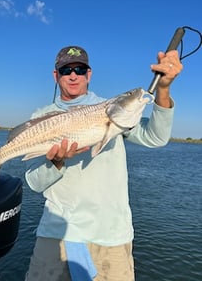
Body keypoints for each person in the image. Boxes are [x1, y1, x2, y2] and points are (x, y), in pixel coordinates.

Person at [24, 45, 183, 281]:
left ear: (89, 74)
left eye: (79, 69)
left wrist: (163, 88)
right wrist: (57, 162)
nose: (73, 75)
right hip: (57, 234)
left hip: (111, 234)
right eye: (66, 69)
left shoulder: (112, 109)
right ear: (55, 76)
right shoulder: (41, 117)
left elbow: (155, 137)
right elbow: (34, 183)